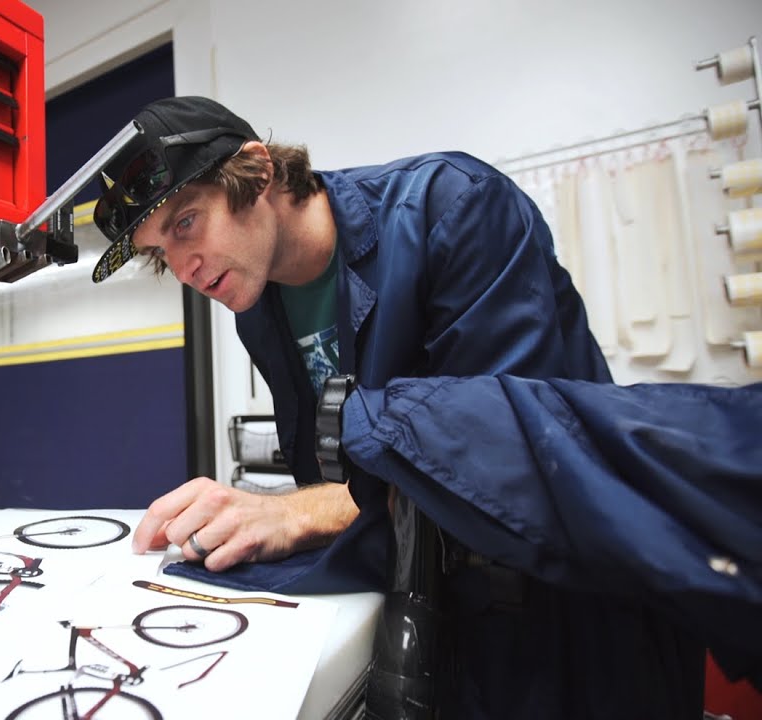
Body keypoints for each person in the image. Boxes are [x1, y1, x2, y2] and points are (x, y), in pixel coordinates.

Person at [87, 96, 702, 719]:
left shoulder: (454, 207)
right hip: (446, 621)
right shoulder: (260, 310)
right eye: (160, 249)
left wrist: (296, 514)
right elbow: (331, 472)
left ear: (258, 173)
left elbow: (500, 459)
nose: (183, 268)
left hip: (572, 607)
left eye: (187, 222)